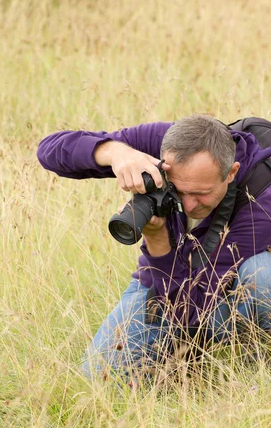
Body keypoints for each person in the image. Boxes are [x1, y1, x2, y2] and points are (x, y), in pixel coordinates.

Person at [37, 115, 271, 382]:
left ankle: (256, 363)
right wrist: (116, 153)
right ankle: (175, 365)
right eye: (177, 190)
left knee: (263, 273)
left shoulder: (262, 198)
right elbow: (49, 150)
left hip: (227, 292)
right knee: (98, 382)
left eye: (201, 193)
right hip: (161, 283)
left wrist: (158, 239)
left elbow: (193, 309)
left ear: (231, 172)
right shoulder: (163, 145)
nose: (189, 205)